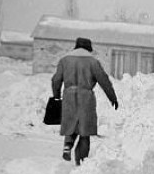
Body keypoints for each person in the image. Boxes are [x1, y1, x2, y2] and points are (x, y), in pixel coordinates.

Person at [50, 37, 118, 165]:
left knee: (71, 125)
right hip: (86, 98)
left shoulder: (64, 61)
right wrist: (112, 97)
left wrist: (57, 96)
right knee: (84, 132)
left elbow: (56, 80)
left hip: (69, 96)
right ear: (89, 48)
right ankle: (81, 162)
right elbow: (104, 81)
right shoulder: (93, 62)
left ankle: (67, 146)